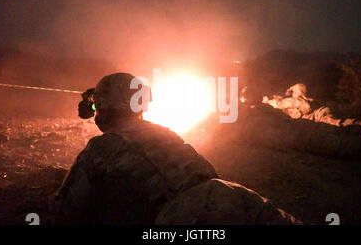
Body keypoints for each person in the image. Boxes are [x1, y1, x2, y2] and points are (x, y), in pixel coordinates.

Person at [52, 73, 300, 225]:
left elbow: (65, 213)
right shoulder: (164, 132)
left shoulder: (99, 149)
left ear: (104, 108)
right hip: (233, 195)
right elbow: (207, 171)